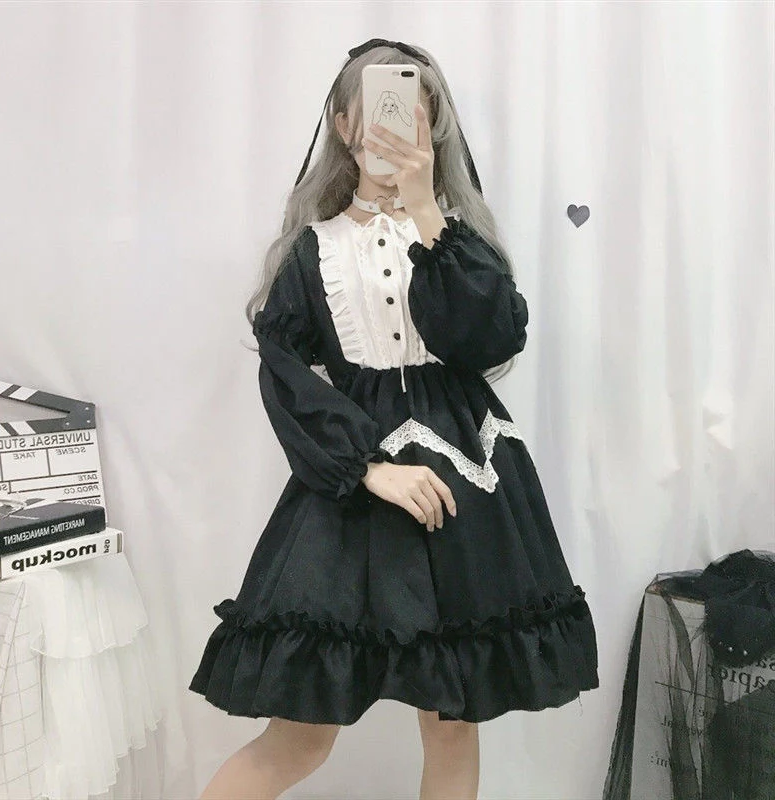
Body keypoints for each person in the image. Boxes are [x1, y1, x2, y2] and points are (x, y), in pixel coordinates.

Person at [189, 38, 599, 800]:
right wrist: (366, 468)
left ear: (432, 126)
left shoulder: (456, 242)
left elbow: (491, 339)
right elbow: (282, 372)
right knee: (299, 736)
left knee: (451, 724)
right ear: (344, 124)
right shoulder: (314, 252)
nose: (391, 131)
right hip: (354, 499)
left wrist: (426, 212)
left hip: (465, 495)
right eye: (375, 114)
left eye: (411, 115)